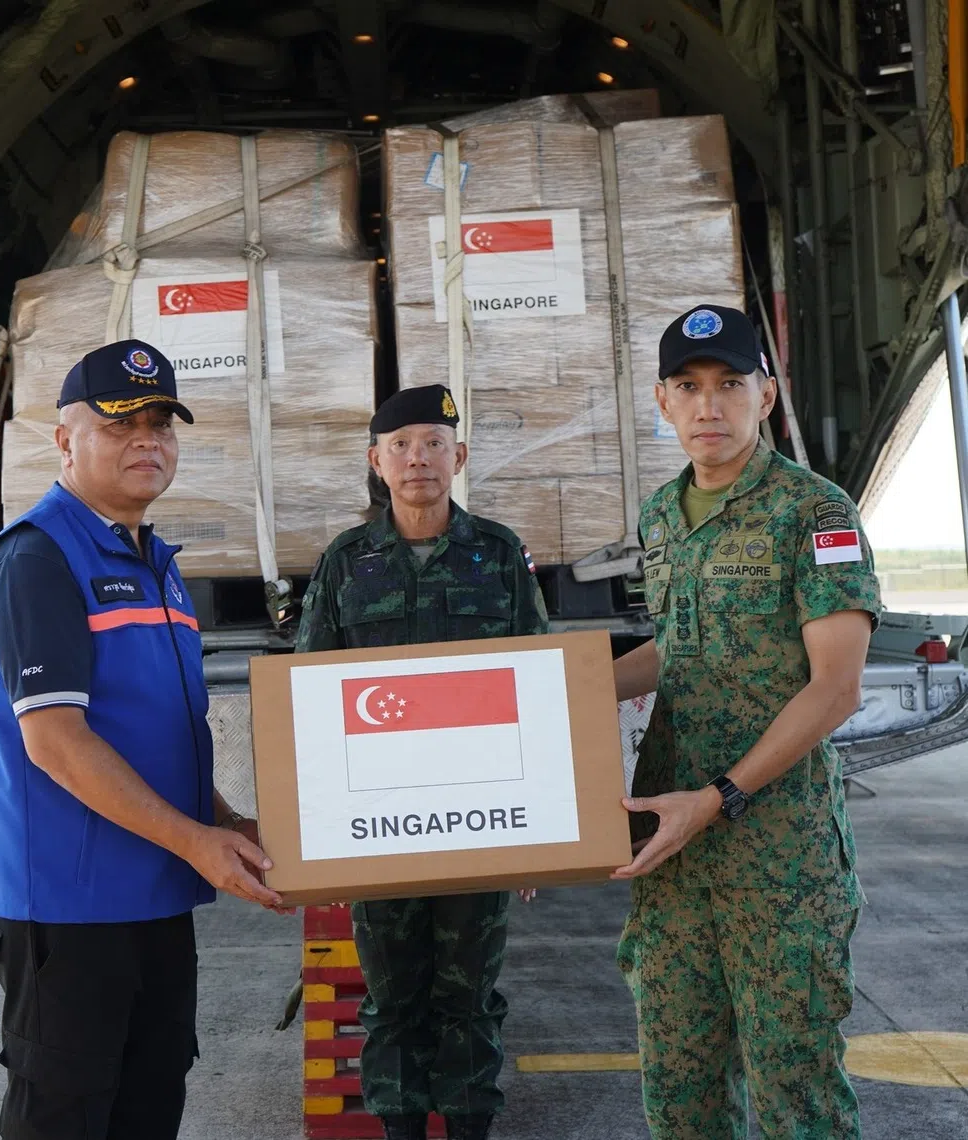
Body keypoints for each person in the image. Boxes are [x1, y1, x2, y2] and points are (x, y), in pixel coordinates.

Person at [0, 340, 285, 1140]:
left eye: (160, 422)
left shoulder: (152, 561)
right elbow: (58, 742)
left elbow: (156, 734)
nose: (147, 439)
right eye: (119, 423)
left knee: (149, 1107)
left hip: (156, 895)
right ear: (65, 441)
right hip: (71, 915)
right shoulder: (39, 557)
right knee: (65, 1118)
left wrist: (222, 823)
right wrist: (195, 840)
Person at [610, 305, 880, 1139]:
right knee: (681, 1091)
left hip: (777, 856)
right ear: (662, 401)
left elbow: (835, 688)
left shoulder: (817, 515)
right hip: (670, 851)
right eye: (688, 388)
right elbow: (678, 646)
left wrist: (719, 796)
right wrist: (560, 694)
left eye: (730, 385)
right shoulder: (660, 516)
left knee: (794, 1094)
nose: (709, 407)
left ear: (766, 394)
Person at [295, 384, 549, 1140]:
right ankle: (402, 1130)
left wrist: (542, 829)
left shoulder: (498, 554)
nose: (418, 459)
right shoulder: (345, 563)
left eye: (434, 443)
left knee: (469, 996)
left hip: (480, 818)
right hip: (380, 823)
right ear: (377, 461)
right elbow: (310, 698)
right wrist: (322, 833)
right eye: (401, 445)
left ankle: (471, 1128)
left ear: (459, 456)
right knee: (393, 998)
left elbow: (537, 685)